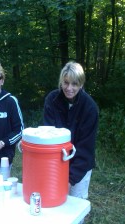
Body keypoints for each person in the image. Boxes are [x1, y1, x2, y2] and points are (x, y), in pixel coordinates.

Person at [43, 61, 99, 200]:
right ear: (61, 82)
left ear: (81, 84)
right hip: (54, 162)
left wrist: (70, 180)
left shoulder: (90, 108)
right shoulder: (52, 99)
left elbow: (86, 148)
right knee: (53, 201)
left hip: (80, 164)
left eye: (74, 84)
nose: (69, 88)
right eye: (66, 82)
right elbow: (47, 135)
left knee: (75, 204)